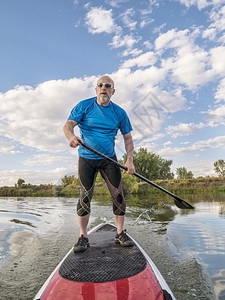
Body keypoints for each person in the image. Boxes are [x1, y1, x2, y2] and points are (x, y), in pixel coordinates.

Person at [63, 75, 135, 252]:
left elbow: (128, 137)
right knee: (85, 196)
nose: (103, 88)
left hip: (109, 159)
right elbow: (68, 125)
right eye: (100, 85)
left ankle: (119, 233)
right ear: (96, 89)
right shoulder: (84, 106)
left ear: (113, 91)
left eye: (108, 86)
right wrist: (71, 137)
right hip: (87, 158)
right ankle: (83, 236)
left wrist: (129, 160)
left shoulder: (119, 112)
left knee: (118, 195)